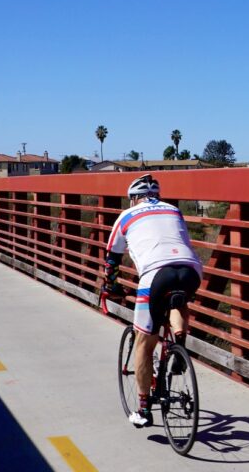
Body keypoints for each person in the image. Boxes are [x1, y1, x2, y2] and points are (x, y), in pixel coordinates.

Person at [102, 174, 203, 428]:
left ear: (133, 198)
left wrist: (110, 287)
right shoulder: (174, 211)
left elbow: (112, 260)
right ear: (156, 195)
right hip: (191, 270)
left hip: (155, 275)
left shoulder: (126, 216)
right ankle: (179, 344)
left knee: (144, 345)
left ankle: (144, 408)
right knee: (178, 299)